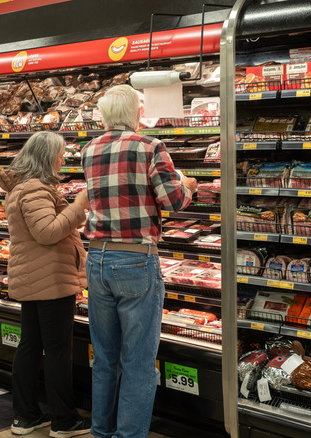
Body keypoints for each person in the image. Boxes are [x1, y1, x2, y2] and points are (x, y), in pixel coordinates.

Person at [81, 85, 198, 438]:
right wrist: (188, 185)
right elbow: (173, 201)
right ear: (136, 114)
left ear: (104, 115)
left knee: (104, 358)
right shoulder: (150, 147)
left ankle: (101, 432)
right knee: (139, 361)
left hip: (96, 260)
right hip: (134, 261)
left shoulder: (88, 149)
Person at [0, 131, 92, 437]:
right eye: (60, 154)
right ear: (45, 157)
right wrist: (79, 206)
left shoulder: (25, 188)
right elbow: (47, 232)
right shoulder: (35, 189)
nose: (62, 159)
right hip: (49, 278)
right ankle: (64, 420)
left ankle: (26, 416)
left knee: (31, 345)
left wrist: (70, 210)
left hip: (35, 276)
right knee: (57, 350)